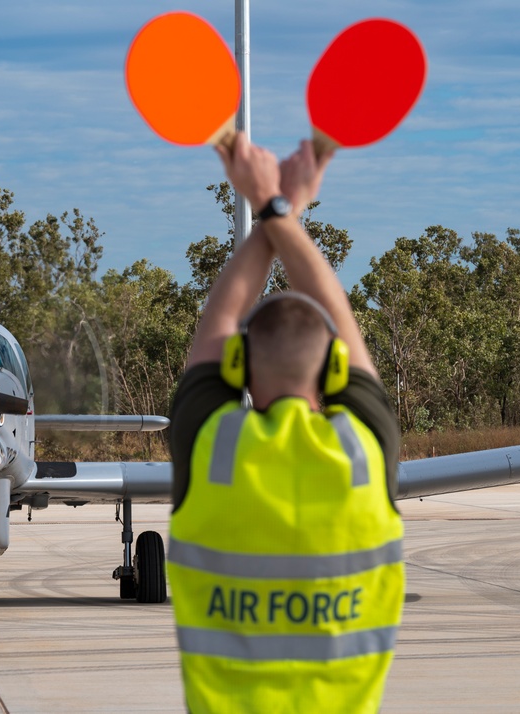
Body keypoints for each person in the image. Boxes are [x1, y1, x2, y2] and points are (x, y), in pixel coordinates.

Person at [167, 133, 404, 714]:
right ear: (336, 366)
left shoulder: (212, 450)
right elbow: (339, 320)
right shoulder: (364, 453)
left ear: (240, 365)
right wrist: (279, 207)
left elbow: (219, 319)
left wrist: (274, 205)